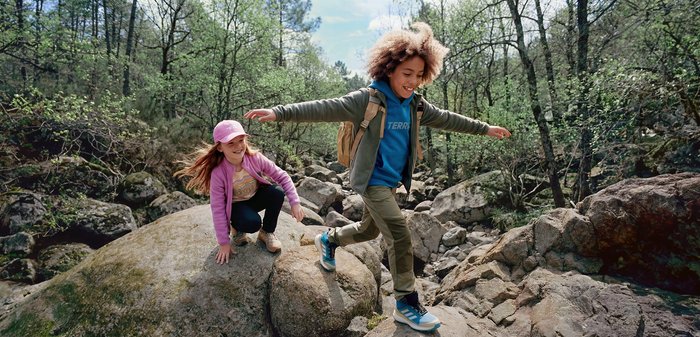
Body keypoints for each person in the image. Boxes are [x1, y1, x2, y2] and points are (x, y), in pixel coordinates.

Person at [244, 22, 511, 332]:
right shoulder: (368, 99)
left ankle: (328, 239)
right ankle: (406, 303)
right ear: (390, 70)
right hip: (370, 180)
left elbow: (449, 119)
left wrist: (484, 128)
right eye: (406, 74)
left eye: (418, 76)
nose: (412, 82)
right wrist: (280, 112)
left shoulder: (416, 106)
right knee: (399, 231)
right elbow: (326, 108)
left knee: (370, 231)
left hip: (390, 182)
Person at [174, 120, 305, 264]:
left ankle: (267, 232)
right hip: (237, 207)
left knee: (277, 193)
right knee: (252, 223)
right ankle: (236, 227)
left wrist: (295, 202)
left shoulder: (255, 158)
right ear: (219, 147)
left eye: (241, 140)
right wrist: (224, 243)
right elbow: (217, 208)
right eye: (230, 143)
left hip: (255, 198)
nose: (238, 146)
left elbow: (282, 176)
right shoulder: (218, 173)